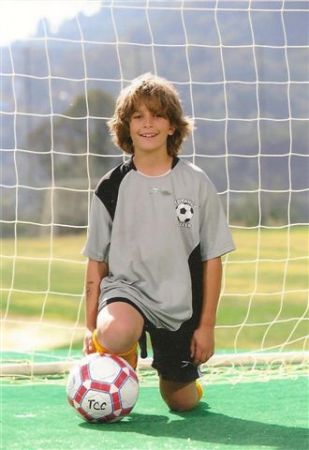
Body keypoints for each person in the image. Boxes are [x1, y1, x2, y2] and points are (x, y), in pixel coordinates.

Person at [82, 73, 235, 412]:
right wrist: (91, 327)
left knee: (182, 403)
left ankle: (182, 380)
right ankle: (119, 358)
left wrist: (206, 326)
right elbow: (96, 260)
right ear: (126, 127)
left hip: (178, 306)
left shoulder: (196, 183)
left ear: (172, 126)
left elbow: (212, 258)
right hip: (127, 293)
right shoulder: (111, 187)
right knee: (116, 330)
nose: (147, 124)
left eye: (157, 115)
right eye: (138, 116)